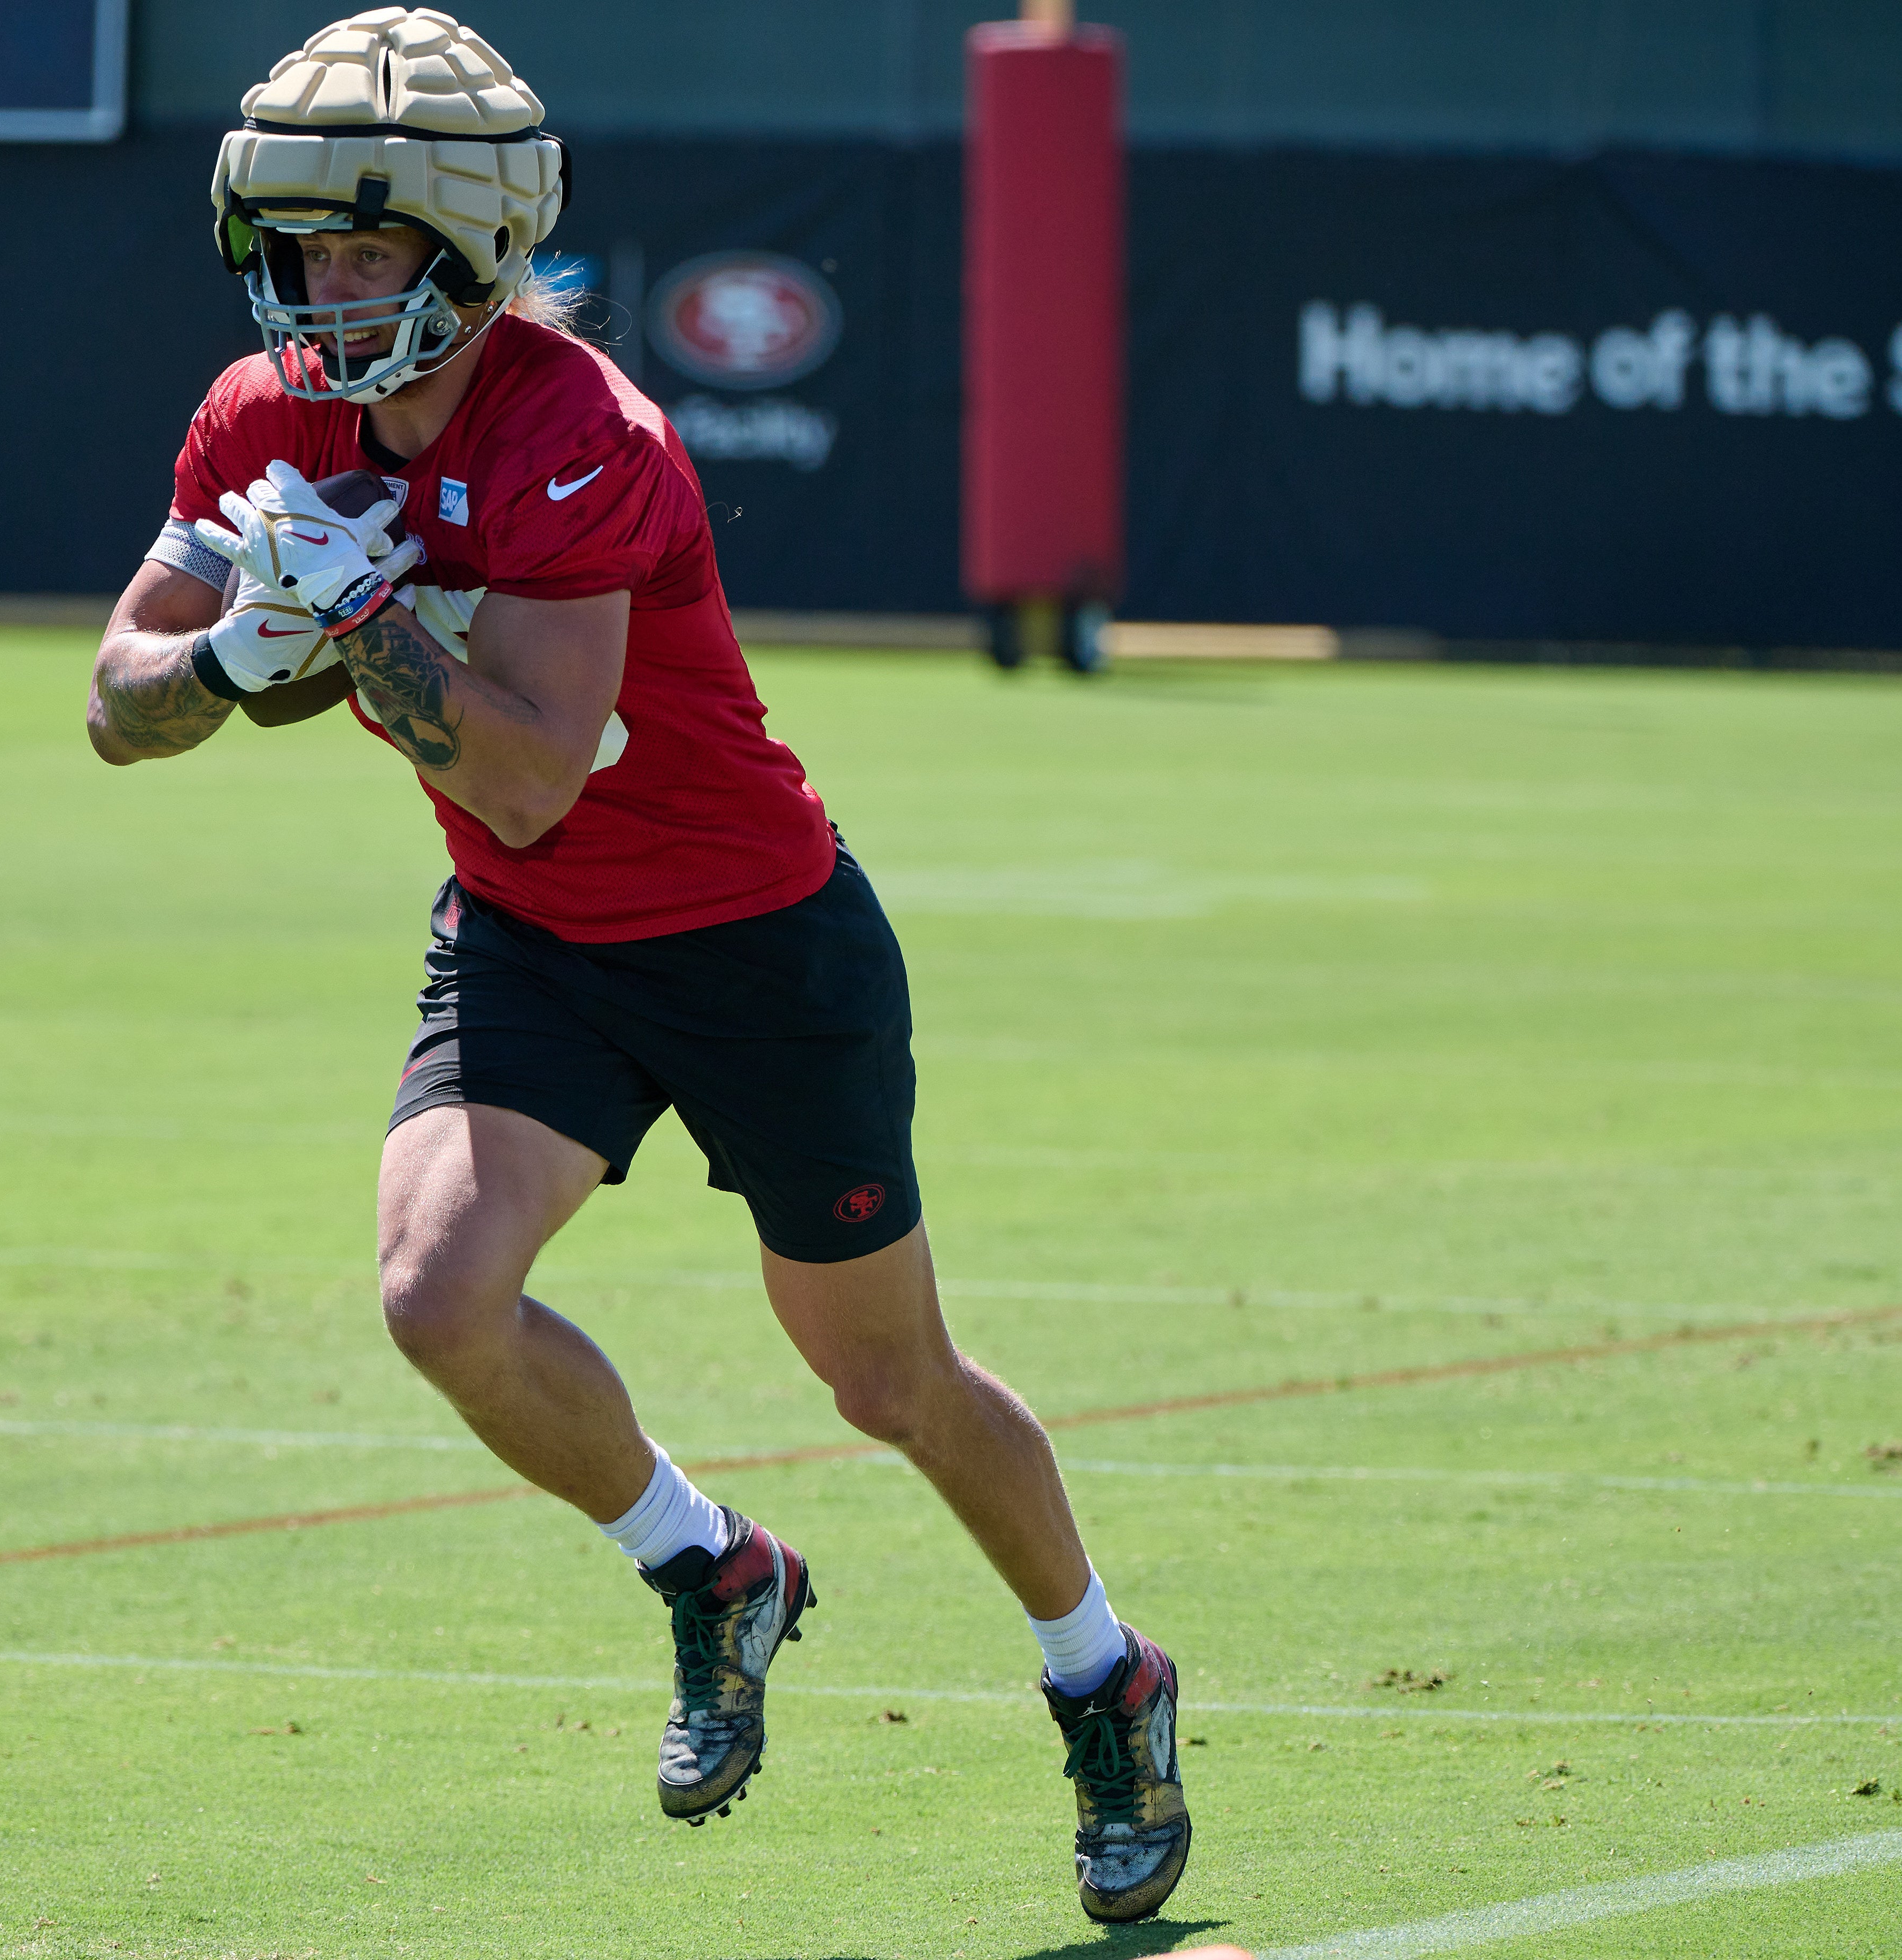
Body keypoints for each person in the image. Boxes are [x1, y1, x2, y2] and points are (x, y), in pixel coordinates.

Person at [84, 8, 1191, 1926]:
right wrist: (228, 667)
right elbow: (119, 703)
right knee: (438, 1296)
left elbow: (523, 773)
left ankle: (1104, 1668)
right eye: (303, 253)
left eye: (364, 253)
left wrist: (344, 621)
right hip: (535, 941)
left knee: (887, 1379)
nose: (323, 296)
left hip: (754, 940)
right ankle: (709, 1567)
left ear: (469, 252)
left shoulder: (587, 432)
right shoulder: (260, 414)